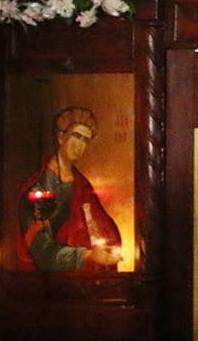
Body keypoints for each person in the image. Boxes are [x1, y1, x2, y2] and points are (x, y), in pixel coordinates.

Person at [16, 106, 123, 271]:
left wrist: (107, 246)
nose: (80, 145)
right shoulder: (38, 187)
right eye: (77, 136)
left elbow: (104, 229)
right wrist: (87, 255)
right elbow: (42, 252)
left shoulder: (82, 186)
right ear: (61, 137)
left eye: (85, 140)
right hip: (49, 280)